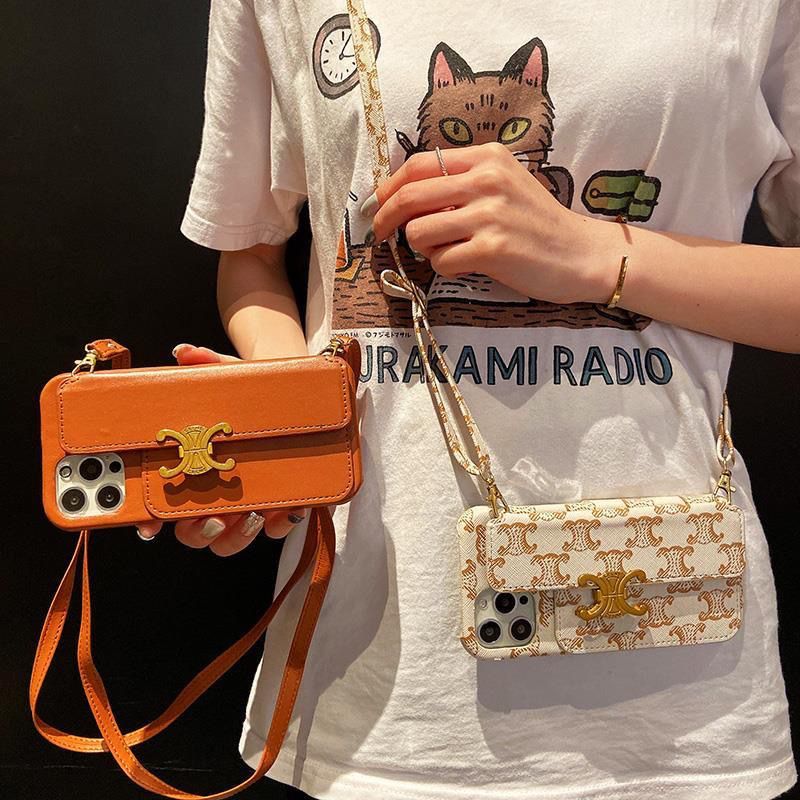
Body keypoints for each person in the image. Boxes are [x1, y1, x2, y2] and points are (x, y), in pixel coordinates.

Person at [137, 0, 799, 798]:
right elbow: (249, 258)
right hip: (375, 669)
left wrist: (596, 251)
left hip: (681, 687)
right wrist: (286, 426)